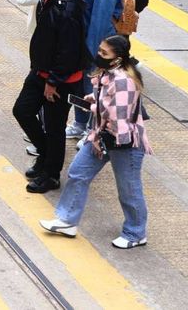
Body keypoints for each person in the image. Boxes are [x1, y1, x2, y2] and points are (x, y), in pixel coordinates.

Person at [39, 35, 150, 249]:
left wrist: (94, 107)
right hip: (102, 136)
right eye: (99, 50)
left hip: (123, 143)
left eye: (104, 53)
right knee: (78, 172)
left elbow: (119, 119)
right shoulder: (108, 73)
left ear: (117, 59)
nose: (99, 55)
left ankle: (136, 233)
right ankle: (67, 221)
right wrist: (95, 98)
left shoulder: (123, 81)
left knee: (129, 189)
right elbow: (108, 102)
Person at [13, 0, 87, 194]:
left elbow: (68, 51)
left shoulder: (68, 10)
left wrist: (53, 82)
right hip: (40, 72)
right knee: (22, 110)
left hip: (60, 80)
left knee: (55, 127)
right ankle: (45, 155)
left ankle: (51, 175)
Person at [68, 0, 123, 139]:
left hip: (95, 47)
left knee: (94, 88)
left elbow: (99, 24)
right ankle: (80, 124)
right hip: (82, 43)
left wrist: (91, 54)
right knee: (80, 86)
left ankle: (93, 130)